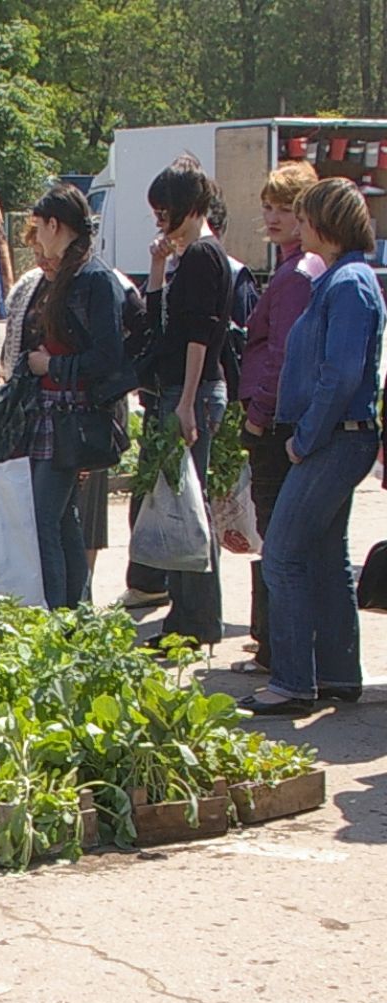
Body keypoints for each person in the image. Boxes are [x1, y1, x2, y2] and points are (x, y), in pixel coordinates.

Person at [241, 178, 385, 715]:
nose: (296, 228)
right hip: (337, 438)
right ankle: (339, 676)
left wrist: (303, 438)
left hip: (333, 439)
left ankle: (294, 681)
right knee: (325, 556)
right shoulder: (342, 279)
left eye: (303, 219)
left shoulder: (347, 284)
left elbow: (341, 374)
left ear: (325, 224)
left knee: (281, 554)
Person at [133, 158, 235, 646]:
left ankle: (196, 621)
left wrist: (188, 402)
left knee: (189, 510)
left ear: (189, 207)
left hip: (189, 392)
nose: (160, 221)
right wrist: (156, 267)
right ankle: (187, 617)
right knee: (182, 504)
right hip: (178, 391)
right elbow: (159, 321)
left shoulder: (202, 256)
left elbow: (198, 335)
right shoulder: (186, 256)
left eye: (164, 211)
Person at [22, 184, 134, 610]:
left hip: (75, 415)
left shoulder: (93, 277)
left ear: (55, 225)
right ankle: (76, 613)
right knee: (64, 518)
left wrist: (51, 366)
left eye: (40, 226)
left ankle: (56, 614)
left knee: (43, 520)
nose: (38, 236)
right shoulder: (72, 273)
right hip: (55, 412)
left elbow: (108, 357)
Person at [232, 161, 324, 676]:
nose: (272, 216)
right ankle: (276, 645)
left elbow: (284, 354)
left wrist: (259, 415)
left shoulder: (297, 274)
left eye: (284, 209)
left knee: (279, 538)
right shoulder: (295, 268)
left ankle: (277, 651)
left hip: (274, 420)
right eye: (268, 206)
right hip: (278, 416)